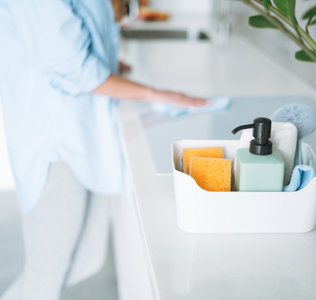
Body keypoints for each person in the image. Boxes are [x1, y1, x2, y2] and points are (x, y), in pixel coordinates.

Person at [0, 0, 208, 299]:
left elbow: (67, 39)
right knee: (45, 276)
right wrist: (154, 94)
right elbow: (71, 67)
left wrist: (104, 58)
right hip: (55, 138)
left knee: (83, 260)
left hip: (83, 128)